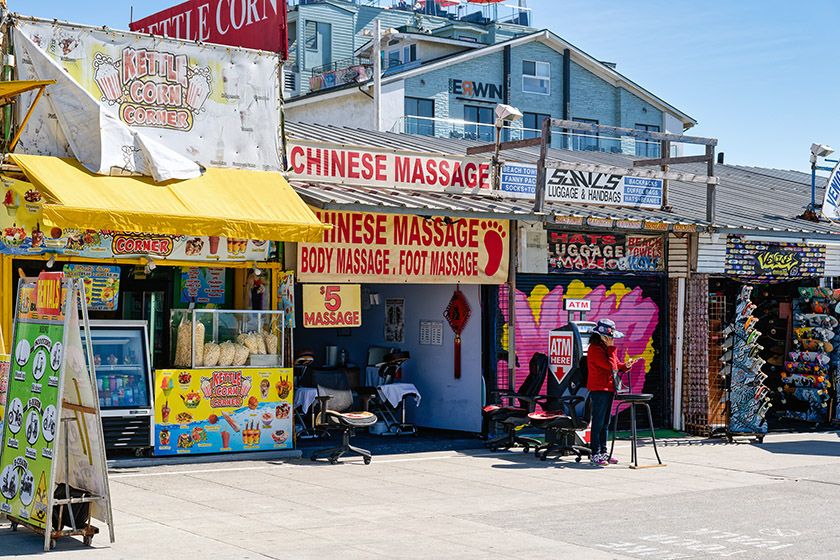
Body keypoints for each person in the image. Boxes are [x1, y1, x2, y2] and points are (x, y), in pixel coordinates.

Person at [587, 318, 638, 466]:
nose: (611, 340)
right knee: (598, 422)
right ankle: (594, 453)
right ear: (601, 336)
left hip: (609, 388)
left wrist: (626, 365)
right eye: (609, 337)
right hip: (599, 389)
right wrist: (611, 348)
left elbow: (616, 365)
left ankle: (604, 452)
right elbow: (609, 366)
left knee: (605, 423)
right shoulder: (595, 349)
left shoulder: (607, 349)